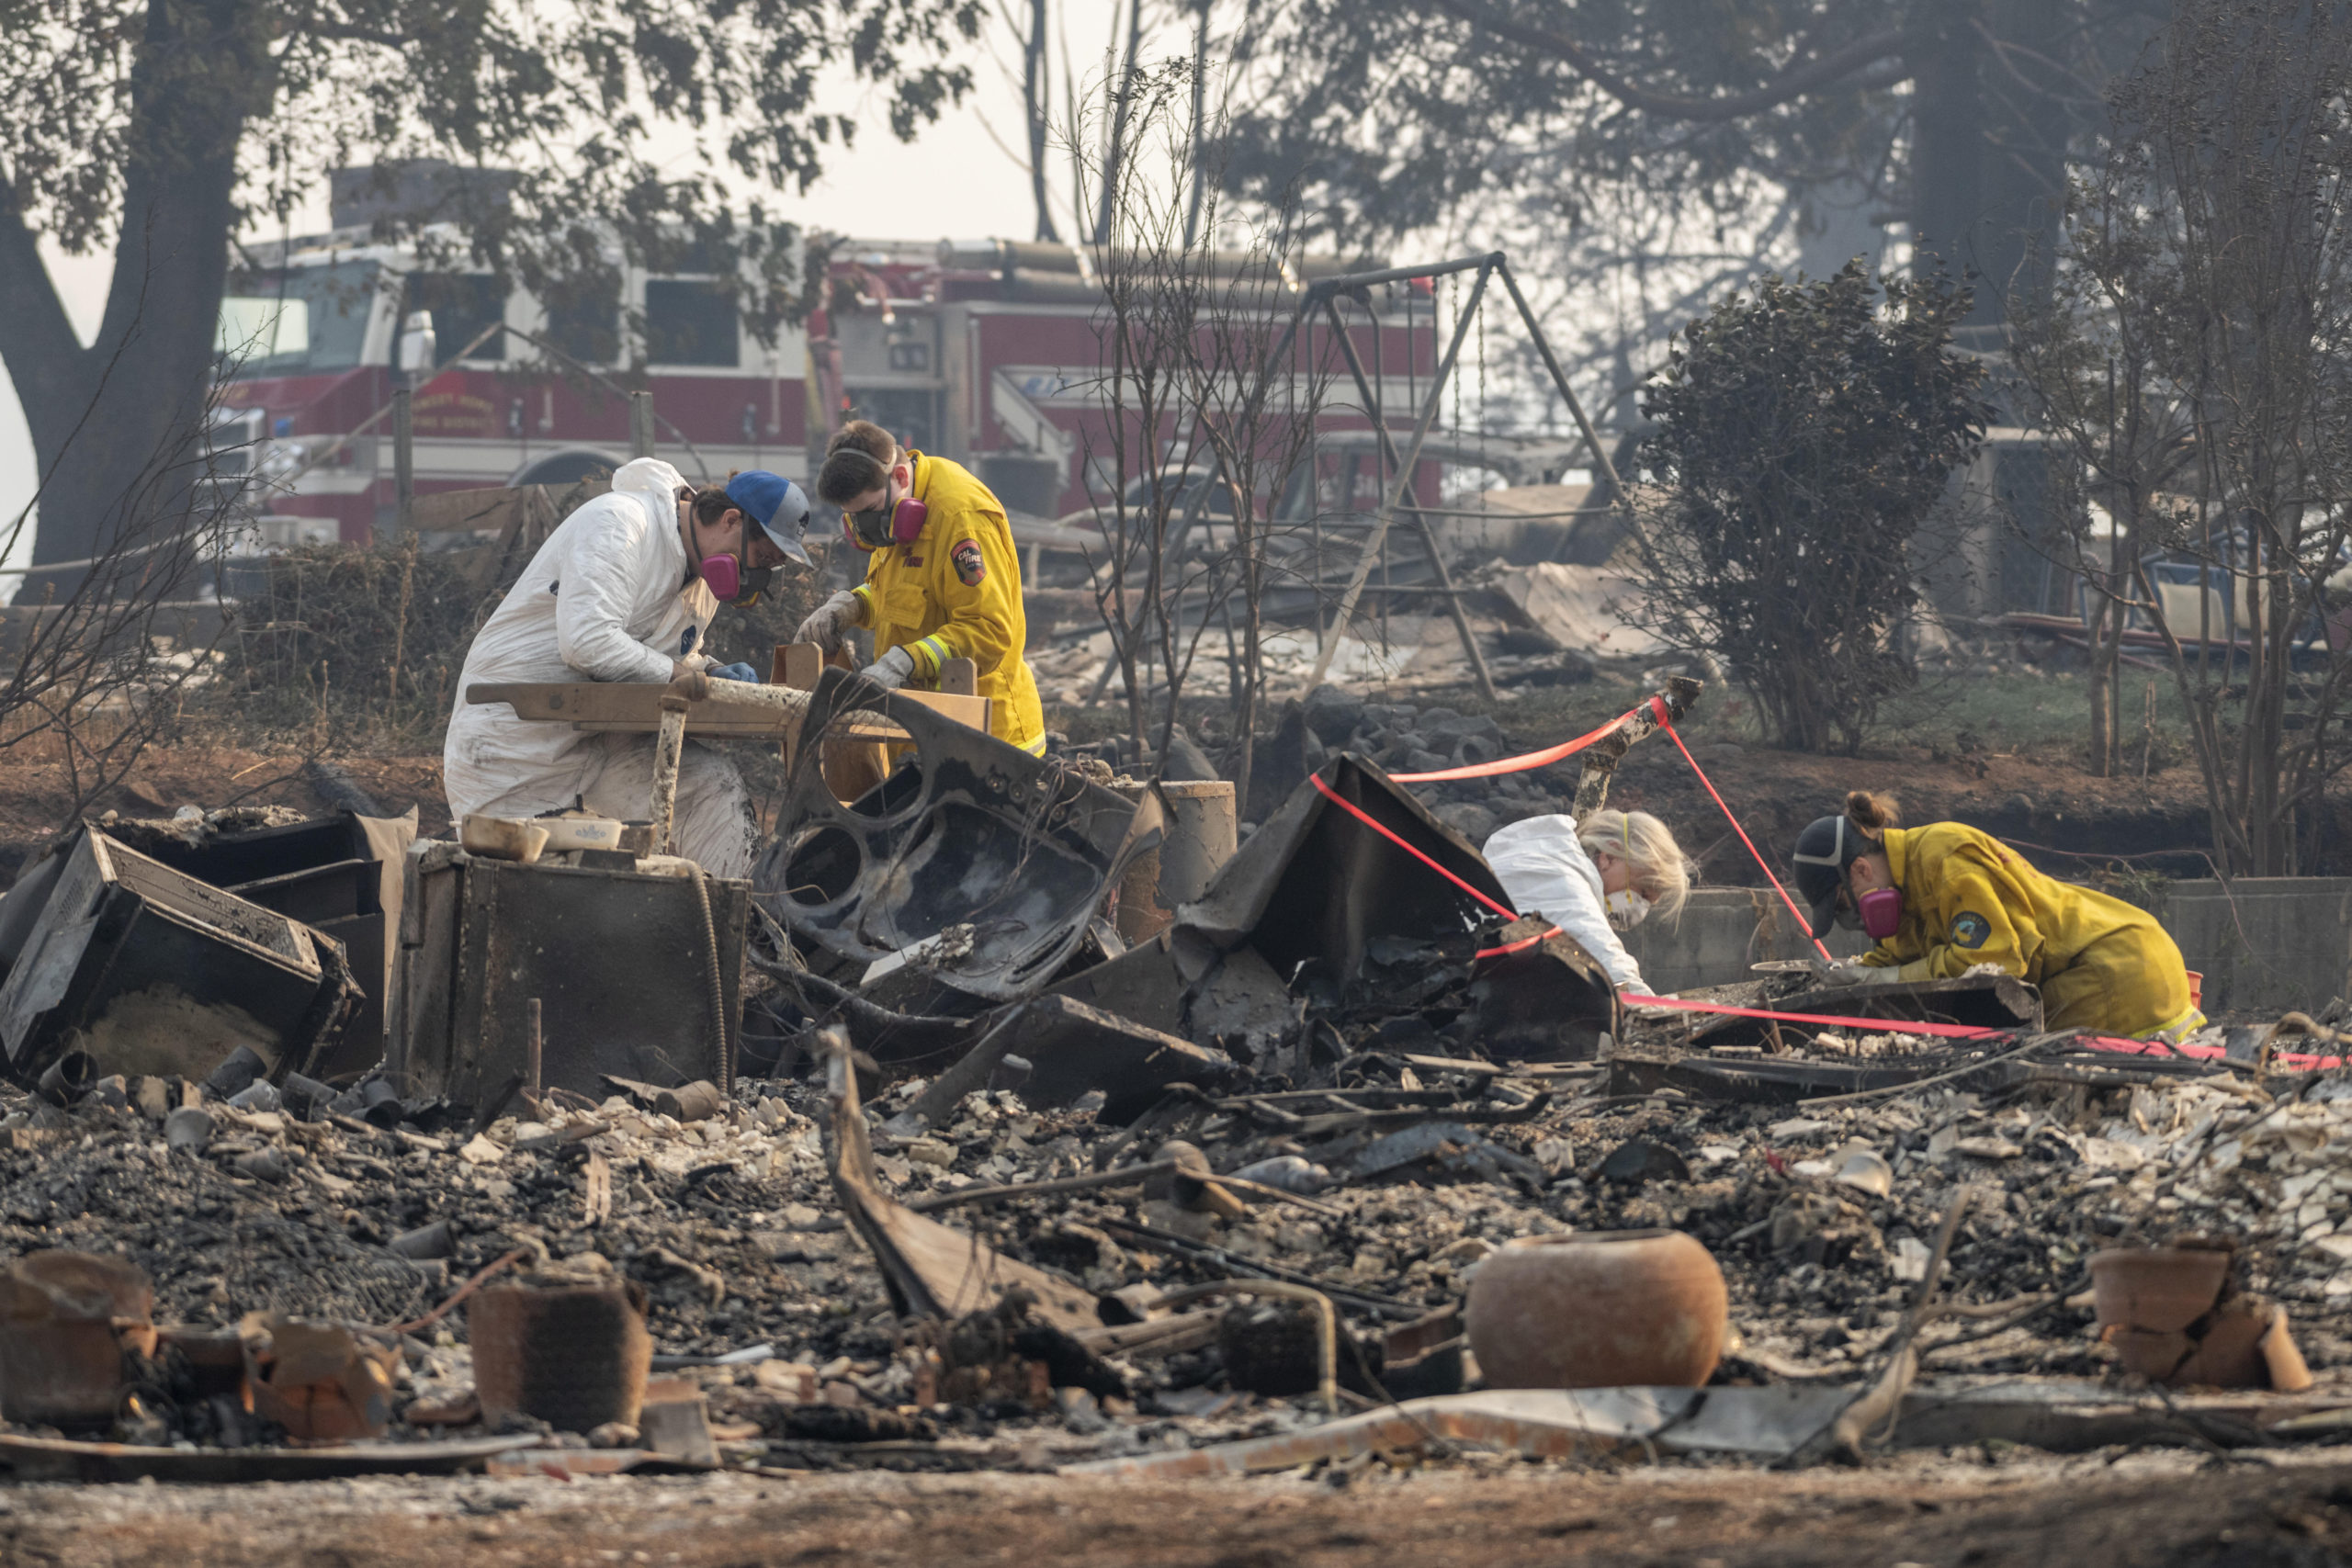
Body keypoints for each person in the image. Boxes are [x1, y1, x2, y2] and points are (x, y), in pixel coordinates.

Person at [444, 457, 813, 880]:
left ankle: (745, 922)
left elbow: (664, 657)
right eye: (761, 558)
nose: (757, 575)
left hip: (602, 743)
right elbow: (588, 641)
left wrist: (708, 670)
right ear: (731, 519)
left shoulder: (701, 586)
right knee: (542, 897)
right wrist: (683, 677)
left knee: (711, 785)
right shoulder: (621, 524)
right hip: (514, 748)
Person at [1790, 790, 2204, 1041]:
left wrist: (1885, 979)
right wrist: (1856, 973)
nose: (1856, 920)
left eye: (1845, 906)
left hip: (2118, 970)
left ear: (1860, 870)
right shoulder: (1904, 888)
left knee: (2029, 1054)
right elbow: (1903, 955)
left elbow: (1993, 963)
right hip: (2098, 967)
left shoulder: (1944, 858)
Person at [794, 421, 1046, 753]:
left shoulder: (960, 516)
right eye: (853, 517)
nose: (865, 528)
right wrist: (851, 605)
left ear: (899, 476)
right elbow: (900, 594)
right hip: (921, 735)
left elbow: (989, 630)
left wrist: (902, 662)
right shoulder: (893, 509)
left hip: (990, 743)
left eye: (869, 512)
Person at [1482, 809, 1692, 995]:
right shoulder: (1562, 880)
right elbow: (1604, 959)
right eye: (1642, 892)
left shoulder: (1548, 856)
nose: (1640, 907)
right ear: (1608, 856)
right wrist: (1651, 1008)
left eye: (1649, 902)